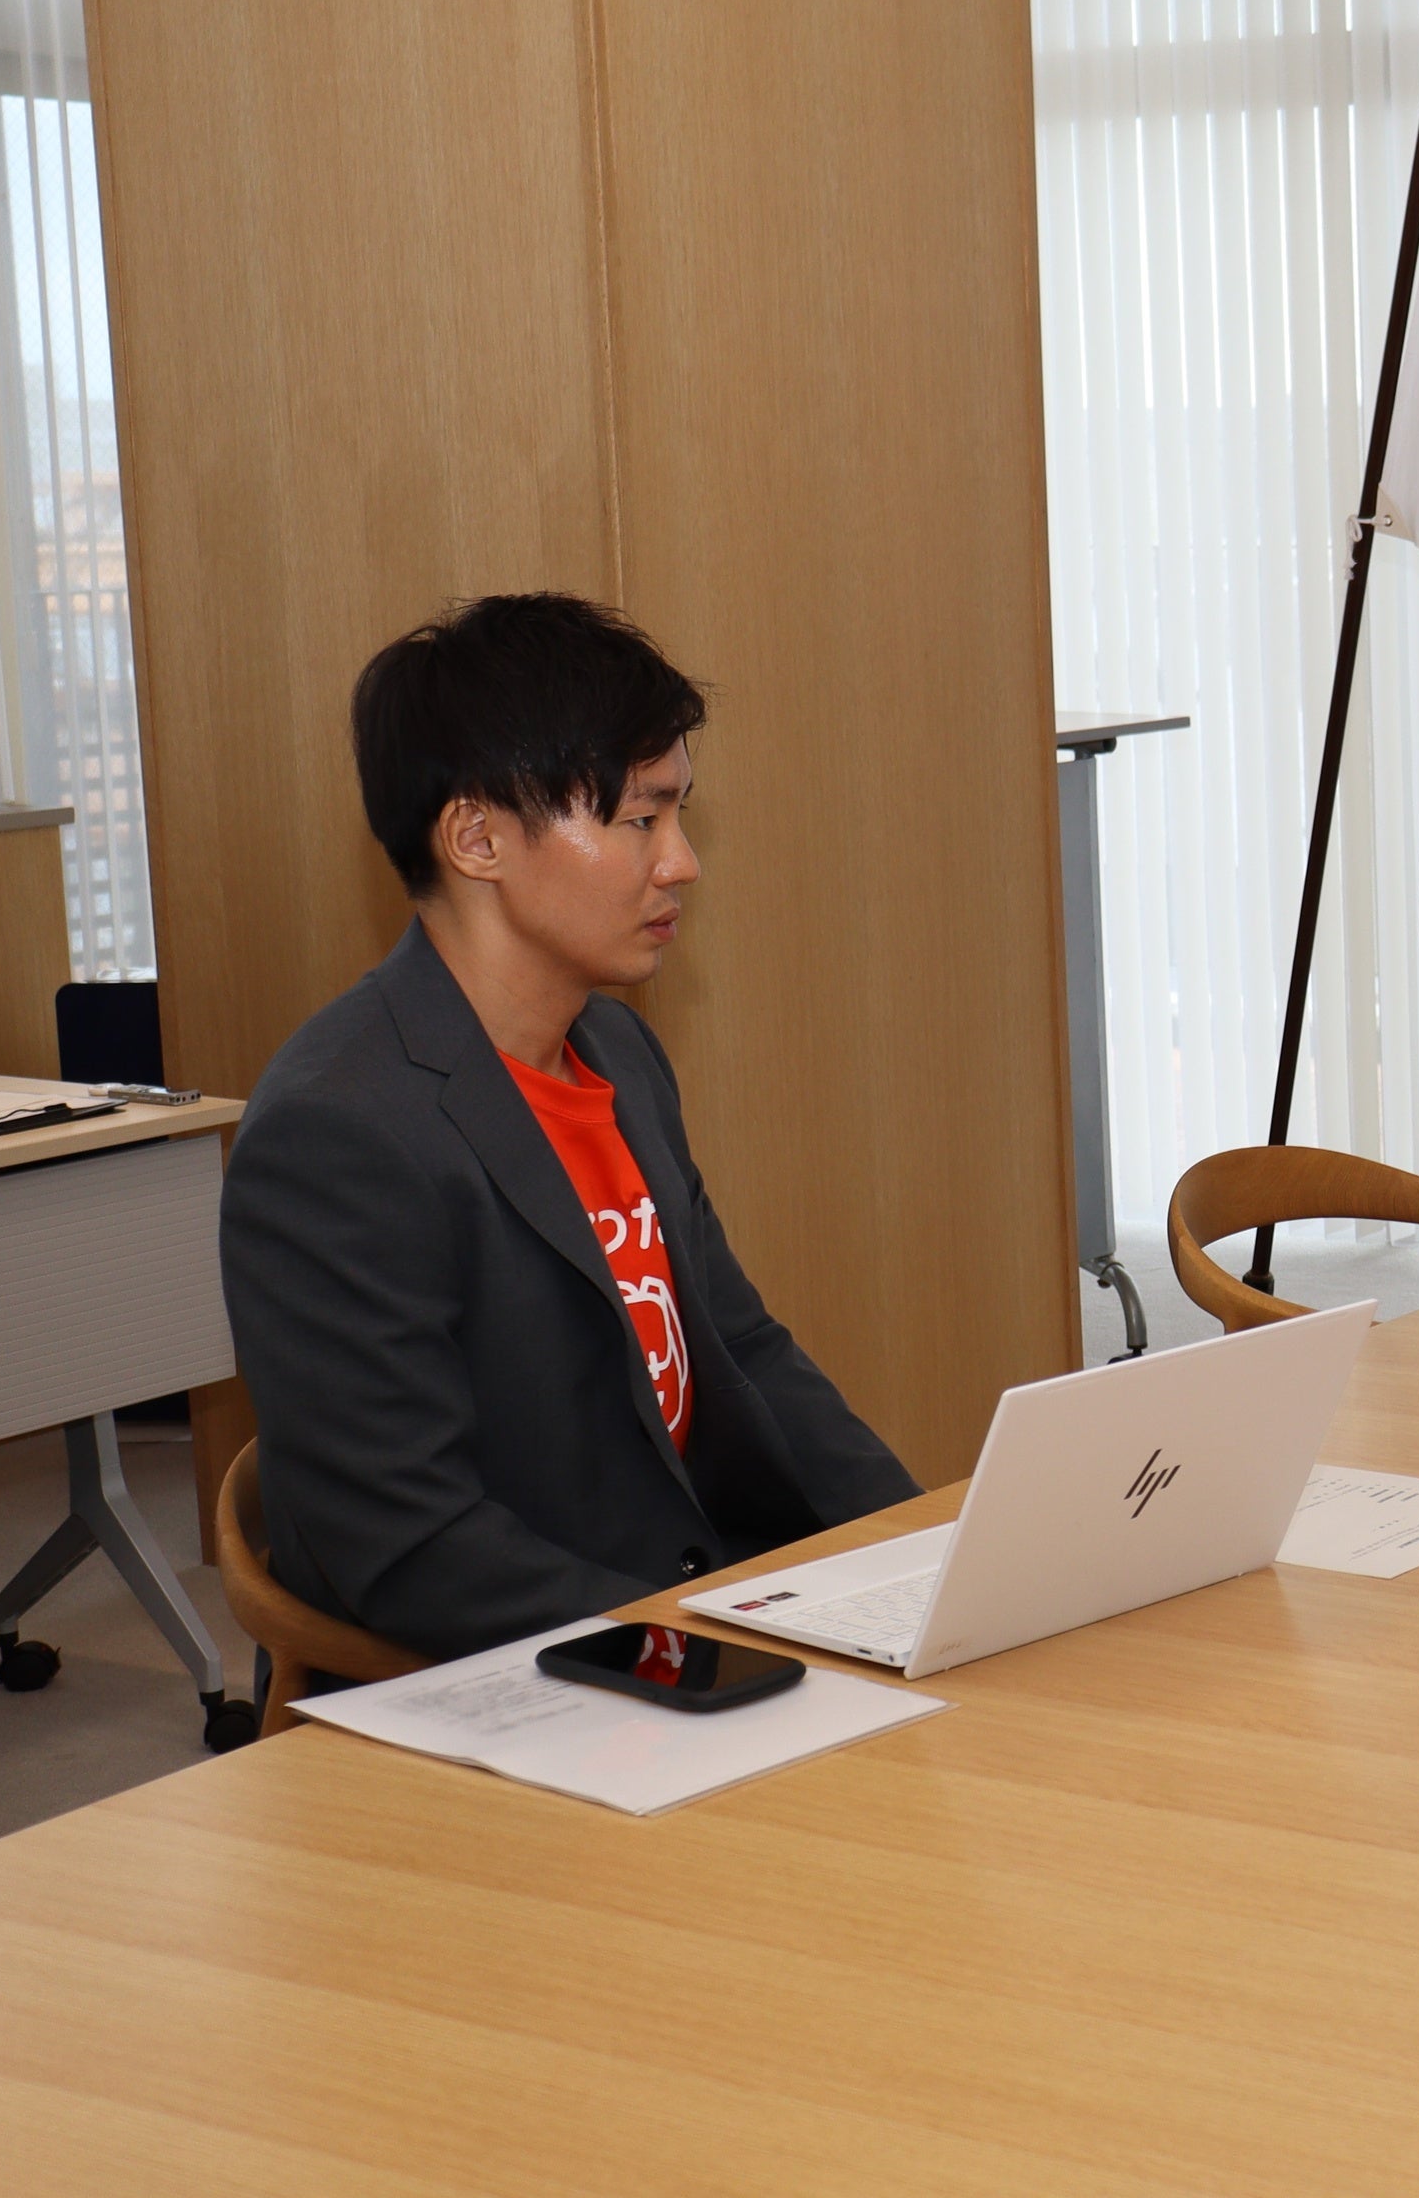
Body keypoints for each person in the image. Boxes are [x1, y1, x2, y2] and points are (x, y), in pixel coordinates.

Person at [221, 593, 915, 1661]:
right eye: (640, 818)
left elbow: (743, 1349)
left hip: (688, 1595)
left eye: (678, 814)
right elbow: (410, 1545)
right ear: (477, 836)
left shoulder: (619, 1054)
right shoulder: (336, 1131)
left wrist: (923, 1545)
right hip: (532, 1667)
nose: (681, 861)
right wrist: (694, 1650)